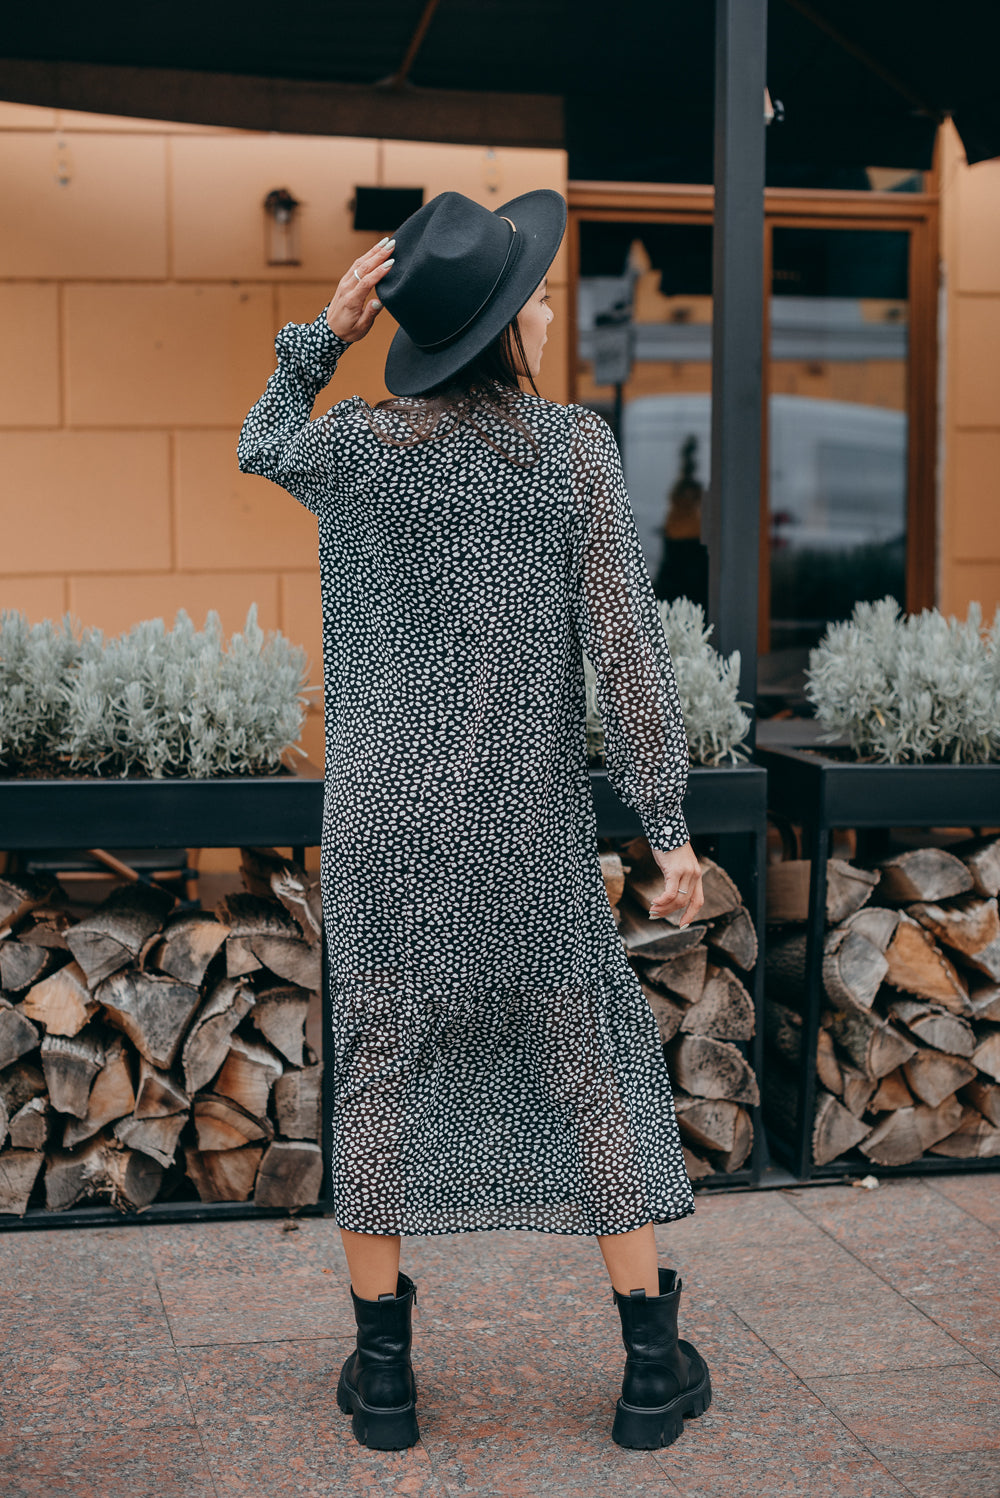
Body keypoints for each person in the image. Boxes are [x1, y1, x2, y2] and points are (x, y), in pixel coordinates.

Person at [238, 188, 712, 1455]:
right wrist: (667, 830)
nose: (551, 310)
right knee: (590, 1064)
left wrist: (322, 335)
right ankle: (650, 1371)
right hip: (520, 827)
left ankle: (384, 1381)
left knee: (381, 1066)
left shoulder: (350, 448)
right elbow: (628, 654)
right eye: (534, 297)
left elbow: (258, 438)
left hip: (384, 827)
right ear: (500, 329)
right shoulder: (569, 453)